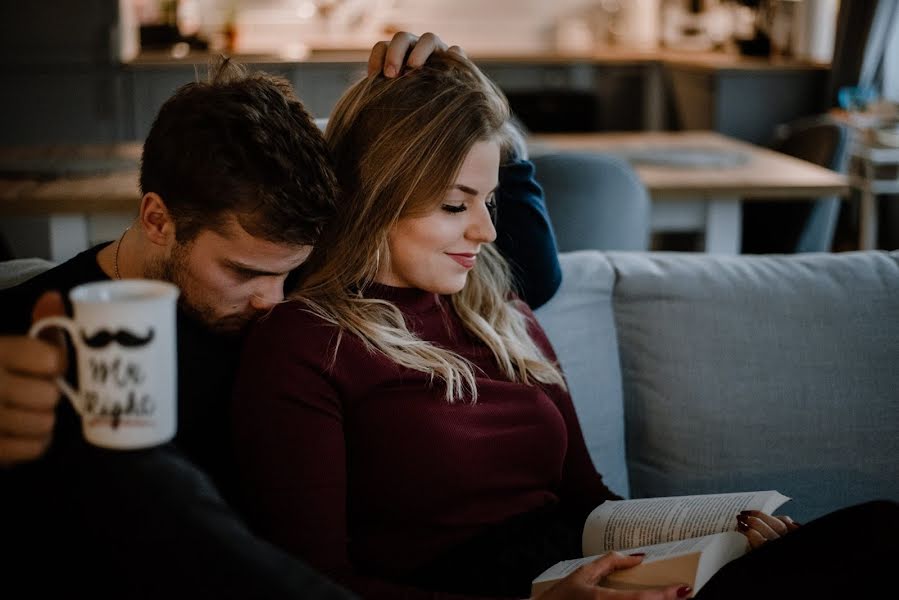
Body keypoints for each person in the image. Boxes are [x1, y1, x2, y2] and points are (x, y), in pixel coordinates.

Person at [230, 51, 899, 600]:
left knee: (872, 533)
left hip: (603, 580)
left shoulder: (499, 312)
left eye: (489, 200)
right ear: (373, 198)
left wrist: (714, 537)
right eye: (452, 204)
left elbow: (589, 504)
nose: (487, 231)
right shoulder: (306, 342)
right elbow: (312, 584)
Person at [0, 33, 562, 598]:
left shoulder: (303, 283)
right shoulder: (35, 328)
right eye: (243, 272)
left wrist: (475, 106)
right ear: (156, 220)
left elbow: (525, 276)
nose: (273, 299)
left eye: (287, 273)